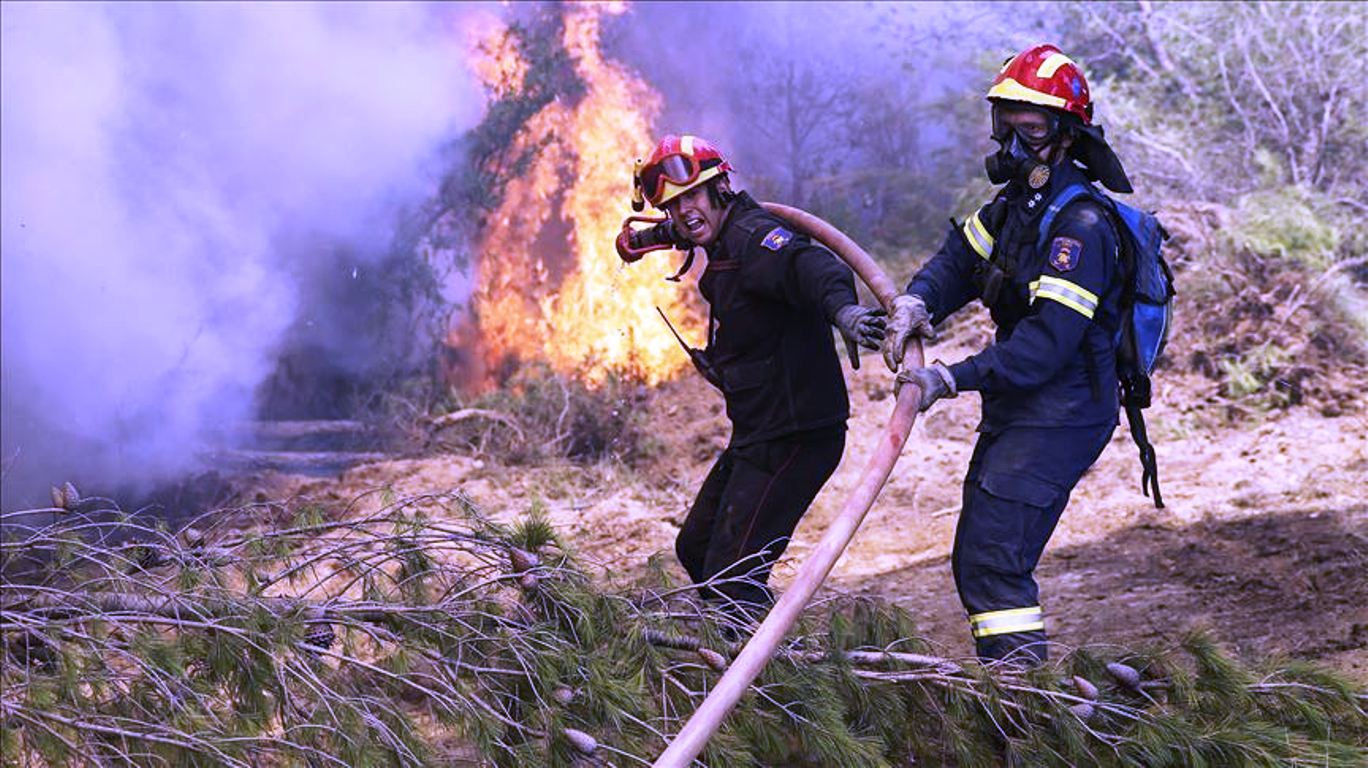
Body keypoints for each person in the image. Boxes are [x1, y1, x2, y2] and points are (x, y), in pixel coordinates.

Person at [883, 44, 1138, 664]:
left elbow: (1045, 348)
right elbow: (959, 262)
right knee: (980, 555)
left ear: (1067, 134)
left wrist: (949, 376)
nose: (1017, 142)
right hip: (1022, 406)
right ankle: (1030, 698)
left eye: (1034, 127)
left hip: (1064, 410)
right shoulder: (1018, 207)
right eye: (1009, 124)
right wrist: (918, 301)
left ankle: (1028, 710)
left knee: (993, 561)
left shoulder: (1080, 225)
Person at [633, 134, 885, 623]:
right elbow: (681, 231)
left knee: (732, 577)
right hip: (758, 434)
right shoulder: (722, 237)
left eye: (692, 197)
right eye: (672, 205)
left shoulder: (755, 239)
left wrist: (845, 312)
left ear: (721, 187)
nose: (684, 213)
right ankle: (748, 647)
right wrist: (640, 240)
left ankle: (772, 681)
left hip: (797, 437)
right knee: (696, 546)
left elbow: (809, 266)